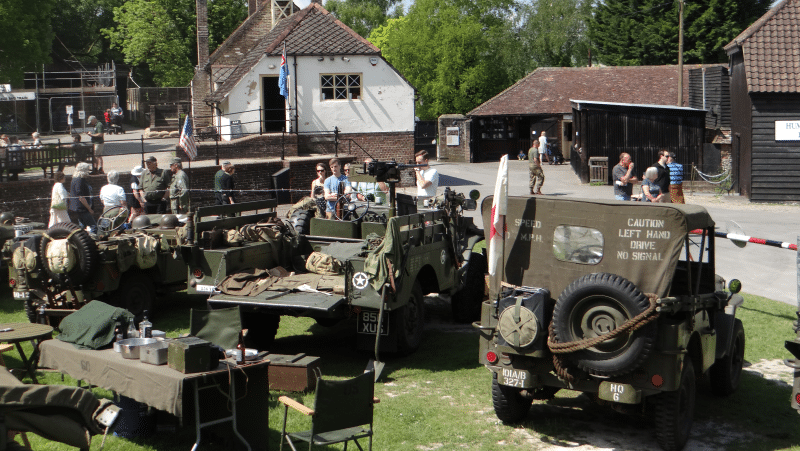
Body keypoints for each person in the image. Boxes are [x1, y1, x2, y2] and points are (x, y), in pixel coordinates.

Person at [67, 162, 97, 233]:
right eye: (87, 170)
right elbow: (81, 197)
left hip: (79, 208)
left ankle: (82, 240)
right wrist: (89, 209)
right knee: (94, 226)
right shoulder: (79, 180)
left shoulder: (75, 179)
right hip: (82, 208)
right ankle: (92, 240)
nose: (88, 171)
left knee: (82, 226)